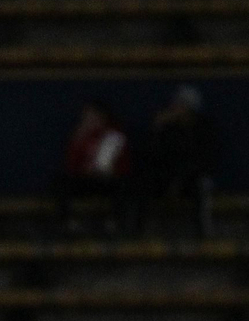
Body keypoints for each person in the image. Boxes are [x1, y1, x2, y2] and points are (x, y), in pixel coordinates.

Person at [134, 85, 215, 237]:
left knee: (201, 185)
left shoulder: (204, 129)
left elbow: (204, 160)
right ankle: (138, 234)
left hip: (190, 178)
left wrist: (180, 179)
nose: (175, 107)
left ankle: (204, 235)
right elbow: (152, 156)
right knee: (143, 182)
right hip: (168, 177)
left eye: (180, 104)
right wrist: (157, 129)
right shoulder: (168, 128)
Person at [55, 100, 130, 235]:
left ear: (102, 116)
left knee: (123, 185)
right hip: (86, 180)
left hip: (108, 181)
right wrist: (77, 141)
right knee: (61, 182)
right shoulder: (81, 135)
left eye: (91, 115)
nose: (87, 119)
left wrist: (106, 171)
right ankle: (68, 225)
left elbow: (122, 165)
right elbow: (71, 167)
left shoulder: (114, 135)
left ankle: (116, 224)